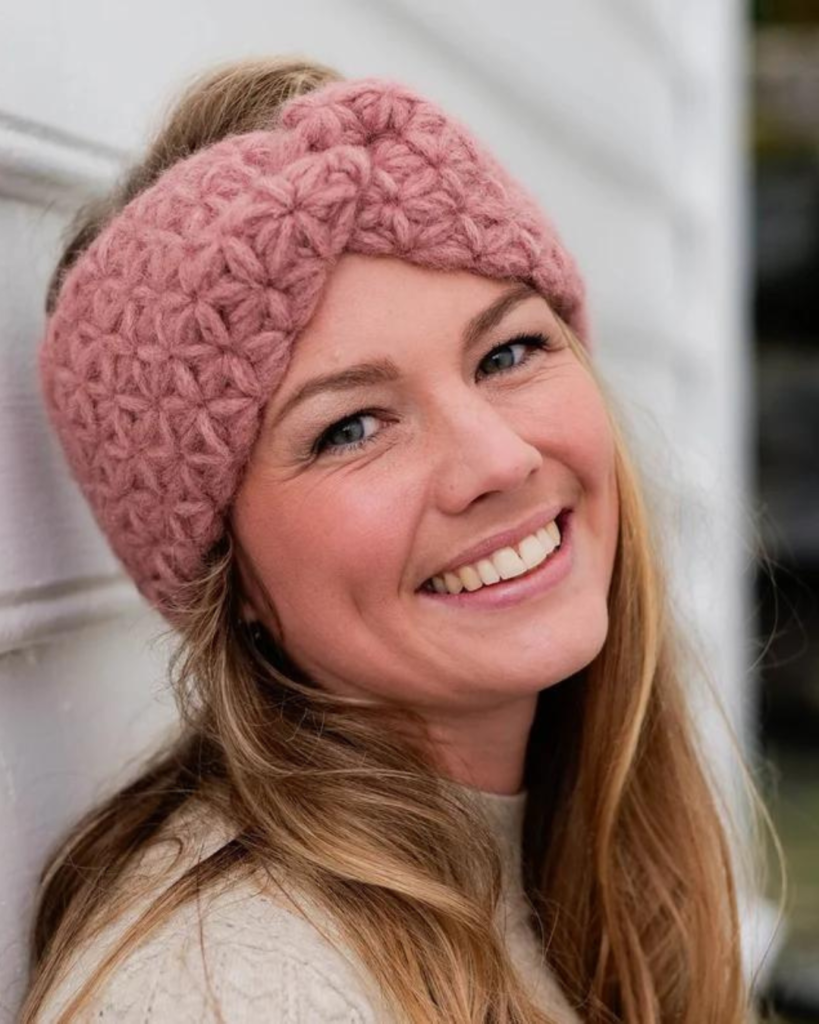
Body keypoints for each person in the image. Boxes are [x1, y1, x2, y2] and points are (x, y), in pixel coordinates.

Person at [20, 55, 768, 1023]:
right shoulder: (232, 991)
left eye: (508, 352)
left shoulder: (581, 859)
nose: (496, 459)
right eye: (352, 427)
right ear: (227, 573)